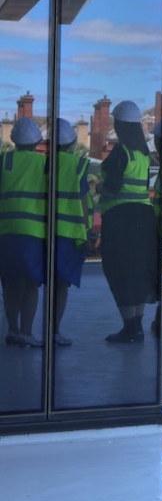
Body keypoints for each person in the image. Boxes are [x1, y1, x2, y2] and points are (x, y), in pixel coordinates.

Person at [99, 100, 160, 343]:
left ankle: (130, 327)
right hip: (142, 218)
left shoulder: (120, 152)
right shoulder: (143, 153)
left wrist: (101, 185)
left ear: (120, 125)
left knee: (120, 270)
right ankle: (137, 327)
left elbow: (113, 187)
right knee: (137, 271)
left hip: (120, 218)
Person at [0, 117, 47, 347]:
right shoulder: (44, 164)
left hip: (6, 232)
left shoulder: (3, 161)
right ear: (37, 141)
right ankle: (26, 332)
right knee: (30, 285)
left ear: (14, 140)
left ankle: (12, 330)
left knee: (11, 284)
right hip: (34, 234)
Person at [53, 117, 92, 345]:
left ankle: (24, 328)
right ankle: (55, 330)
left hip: (44, 232)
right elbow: (85, 201)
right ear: (70, 143)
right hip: (69, 234)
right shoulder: (78, 165)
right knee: (61, 286)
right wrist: (86, 232)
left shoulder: (43, 164)